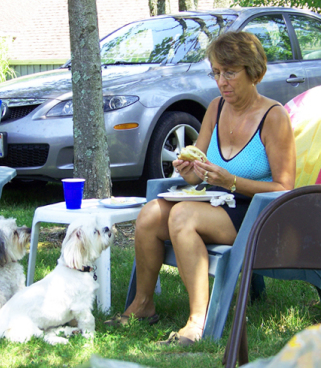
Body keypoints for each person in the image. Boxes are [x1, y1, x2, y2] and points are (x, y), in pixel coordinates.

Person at [105, 32, 296, 345]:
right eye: (217, 72)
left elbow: (284, 187)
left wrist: (231, 181)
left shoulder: (274, 117)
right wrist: (188, 169)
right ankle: (142, 304)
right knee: (151, 213)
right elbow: (197, 173)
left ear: (253, 71)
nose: (222, 81)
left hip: (258, 211)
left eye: (230, 72)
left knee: (182, 217)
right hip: (216, 200)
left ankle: (197, 322)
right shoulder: (216, 109)